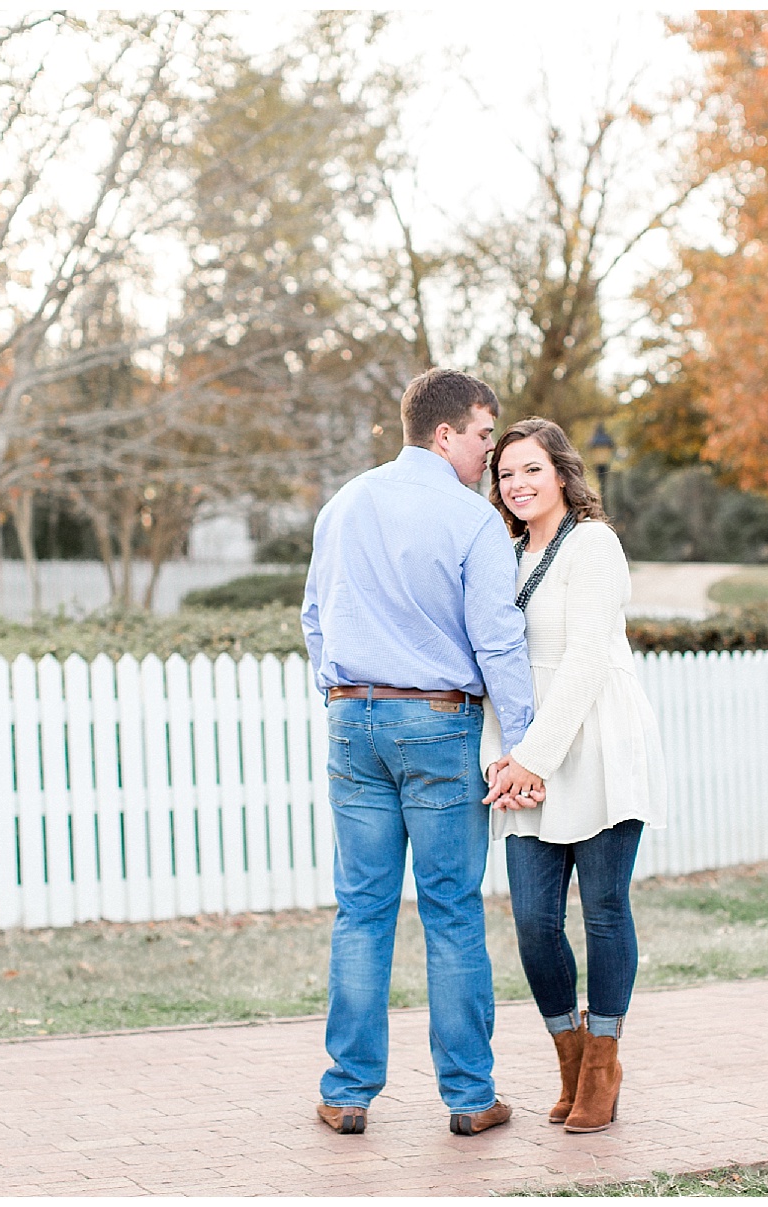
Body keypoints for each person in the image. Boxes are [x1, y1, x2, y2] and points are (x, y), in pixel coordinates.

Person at [301, 368, 547, 1138]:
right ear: (445, 435)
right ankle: (471, 1098)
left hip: (352, 720)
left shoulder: (344, 504)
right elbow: (499, 641)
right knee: (449, 910)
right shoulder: (470, 519)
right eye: (482, 437)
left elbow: (315, 614)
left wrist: (342, 693)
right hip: (438, 724)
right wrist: (530, 742)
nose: (489, 457)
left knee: (362, 909)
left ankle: (346, 1091)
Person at [480, 417, 667, 1135]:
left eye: (531, 468)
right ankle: (568, 1051)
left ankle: (603, 1063)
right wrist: (508, 759)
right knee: (532, 920)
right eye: (505, 474)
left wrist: (536, 756)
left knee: (605, 909)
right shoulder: (501, 556)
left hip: (596, 746)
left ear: (561, 473)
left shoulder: (595, 546)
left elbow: (588, 658)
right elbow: (497, 664)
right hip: (527, 759)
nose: (518, 484)